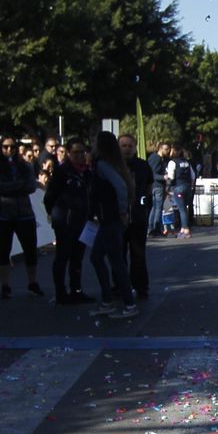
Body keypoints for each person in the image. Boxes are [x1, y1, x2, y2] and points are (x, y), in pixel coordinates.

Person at [87, 131, 138, 319]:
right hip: (109, 218)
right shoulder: (112, 164)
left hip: (110, 218)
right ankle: (109, 300)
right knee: (98, 257)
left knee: (114, 261)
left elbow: (120, 187)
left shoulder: (102, 165)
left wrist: (122, 211)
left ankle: (128, 303)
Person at [0, 137, 43, 299]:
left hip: (24, 213)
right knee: (3, 250)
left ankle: (32, 282)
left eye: (12, 147)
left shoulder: (25, 166)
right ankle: (5, 286)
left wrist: (9, 187)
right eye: (5, 147)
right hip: (1, 213)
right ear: (0, 148)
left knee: (30, 249)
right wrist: (18, 186)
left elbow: (31, 187)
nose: (9, 150)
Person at [42, 139, 93, 305]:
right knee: (63, 255)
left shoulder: (86, 172)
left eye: (82, 152)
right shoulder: (62, 171)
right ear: (69, 154)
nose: (80, 156)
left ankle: (76, 289)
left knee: (78, 256)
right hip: (65, 219)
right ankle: (60, 292)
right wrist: (55, 213)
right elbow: (49, 196)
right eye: (76, 152)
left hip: (82, 220)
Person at [121, 134, 153, 300]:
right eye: (123, 146)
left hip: (138, 217)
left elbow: (149, 187)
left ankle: (141, 287)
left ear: (135, 147)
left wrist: (145, 207)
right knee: (119, 255)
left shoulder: (142, 165)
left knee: (138, 255)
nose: (127, 149)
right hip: (118, 218)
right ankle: (120, 287)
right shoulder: (113, 166)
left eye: (130, 146)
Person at [168, 146, 198, 238]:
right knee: (184, 208)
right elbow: (193, 175)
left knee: (181, 209)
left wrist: (168, 185)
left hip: (178, 187)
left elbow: (171, 177)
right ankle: (182, 228)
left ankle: (185, 229)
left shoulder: (172, 162)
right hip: (188, 187)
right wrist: (192, 186)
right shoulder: (187, 162)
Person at [147, 141, 172, 237]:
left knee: (155, 207)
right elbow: (153, 174)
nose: (167, 151)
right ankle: (155, 228)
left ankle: (152, 228)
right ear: (160, 149)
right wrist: (163, 177)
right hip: (157, 186)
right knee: (158, 207)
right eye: (166, 149)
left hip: (156, 186)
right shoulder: (156, 159)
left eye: (168, 149)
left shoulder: (158, 159)